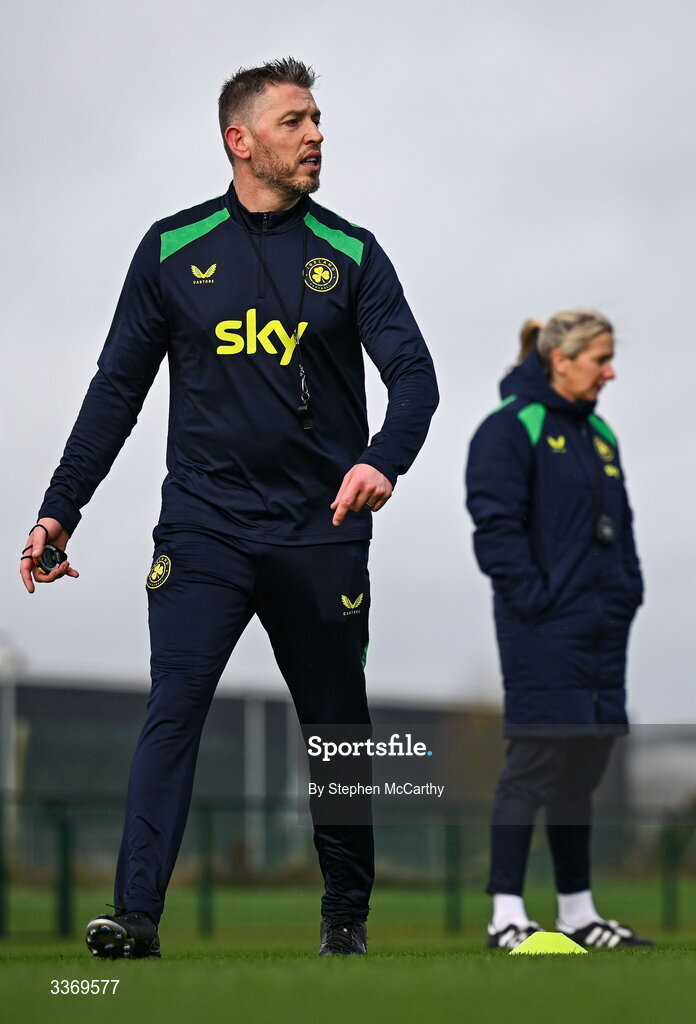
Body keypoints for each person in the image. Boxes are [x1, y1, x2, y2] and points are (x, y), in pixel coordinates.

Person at [19, 57, 438, 959]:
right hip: (205, 528)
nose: (317, 133)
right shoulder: (172, 249)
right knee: (174, 706)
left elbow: (415, 377)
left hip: (321, 533)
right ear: (239, 140)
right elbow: (113, 392)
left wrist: (381, 460)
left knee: (337, 729)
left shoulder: (353, 253)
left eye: (319, 118)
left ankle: (344, 918)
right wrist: (60, 511)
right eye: (296, 121)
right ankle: (135, 916)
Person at [465, 310, 651, 950]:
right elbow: (495, 529)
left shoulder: (600, 434)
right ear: (560, 360)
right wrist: (536, 601)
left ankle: (578, 915)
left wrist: (629, 591)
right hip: (541, 630)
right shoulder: (510, 428)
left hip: (603, 633)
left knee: (584, 766)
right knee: (535, 763)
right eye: (599, 359)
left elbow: (621, 529)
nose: (609, 371)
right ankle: (506, 916)